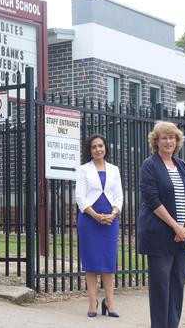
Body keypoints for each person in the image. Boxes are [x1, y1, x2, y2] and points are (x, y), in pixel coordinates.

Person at [138, 121, 185, 328]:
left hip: (182, 237)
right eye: (164, 137)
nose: (168, 141)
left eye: (172, 137)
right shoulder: (150, 165)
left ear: (177, 140)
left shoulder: (182, 165)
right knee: (161, 288)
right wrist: (176, 227)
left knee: (177, 286)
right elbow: (153, 200)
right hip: (160, 235)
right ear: (156, 141)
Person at [75, 134, 123, 318]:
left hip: (110, 220)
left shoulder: (114, 170)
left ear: (105, 148)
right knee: (92, 263)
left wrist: (113, 213)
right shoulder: (83, 170)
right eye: (94, 147)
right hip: (89, 220)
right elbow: (80, 196)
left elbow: (119, 196)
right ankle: (92, 303)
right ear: (90, 150)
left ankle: (110, 303)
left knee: (108, 263)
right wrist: (95, 215)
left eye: (100, 146)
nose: (98, 149)